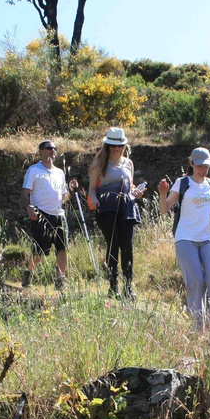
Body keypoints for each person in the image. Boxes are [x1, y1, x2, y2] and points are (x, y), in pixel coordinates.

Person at [158, 147, 210, 333]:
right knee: (196, 280)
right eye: (200, 166)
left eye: (206, 166)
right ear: (191, 163)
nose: (203, 169)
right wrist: (162, 193)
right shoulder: (182, 183)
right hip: (185, 238)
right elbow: (164, 209)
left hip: (208, 237)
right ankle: (197, 325)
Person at [88, 127, 145, 299]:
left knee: (127, 246)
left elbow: (130, 186)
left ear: (124, 146)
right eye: (113, 145)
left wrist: (136, 193)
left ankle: (128, 286)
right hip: (106, 209)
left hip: (126, 208)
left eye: (120, 145)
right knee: (113, 244)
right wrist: (94, 200)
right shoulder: (98, 164)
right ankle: (113, 286)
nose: (116, 148)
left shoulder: (128, 163)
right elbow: (92, 188)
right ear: (107, 145)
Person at [21, 140, 78, 290]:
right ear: (41, 151)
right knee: (40, 249)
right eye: (49, 148)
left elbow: (64, 198)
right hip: (41, 214)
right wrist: (29, 208)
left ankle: (60, 279)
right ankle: (29, 272)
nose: (52, 151)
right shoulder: (34, 170)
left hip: (59, 214)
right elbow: (25, 192)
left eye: (54, 148)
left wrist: (71, 190)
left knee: (62, 248)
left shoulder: (60, 173)